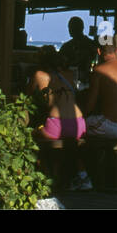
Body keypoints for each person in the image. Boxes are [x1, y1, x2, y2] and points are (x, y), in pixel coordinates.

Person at [28, 45, 90, 190]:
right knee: (72, 144)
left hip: (56, 125)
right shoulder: (68, 75)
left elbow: (28, 96)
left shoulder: (39, 75)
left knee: (31, 134)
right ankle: (82, 176)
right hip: (79, 125)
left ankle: (45, 177)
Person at [83, 41, 117, 140]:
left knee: (79, 125)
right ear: (116, 51)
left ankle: (91, 155)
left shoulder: (99, 70)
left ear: (99, 51)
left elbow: (90, 104)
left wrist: (81, 114)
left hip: (113, 126)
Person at [58, 17, 98, 81]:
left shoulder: (67, 46)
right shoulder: (91, 44)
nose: (70, 30)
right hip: (83, 78)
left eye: (71, 27)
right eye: (70, 27)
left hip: (78, 79)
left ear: (80, 28)